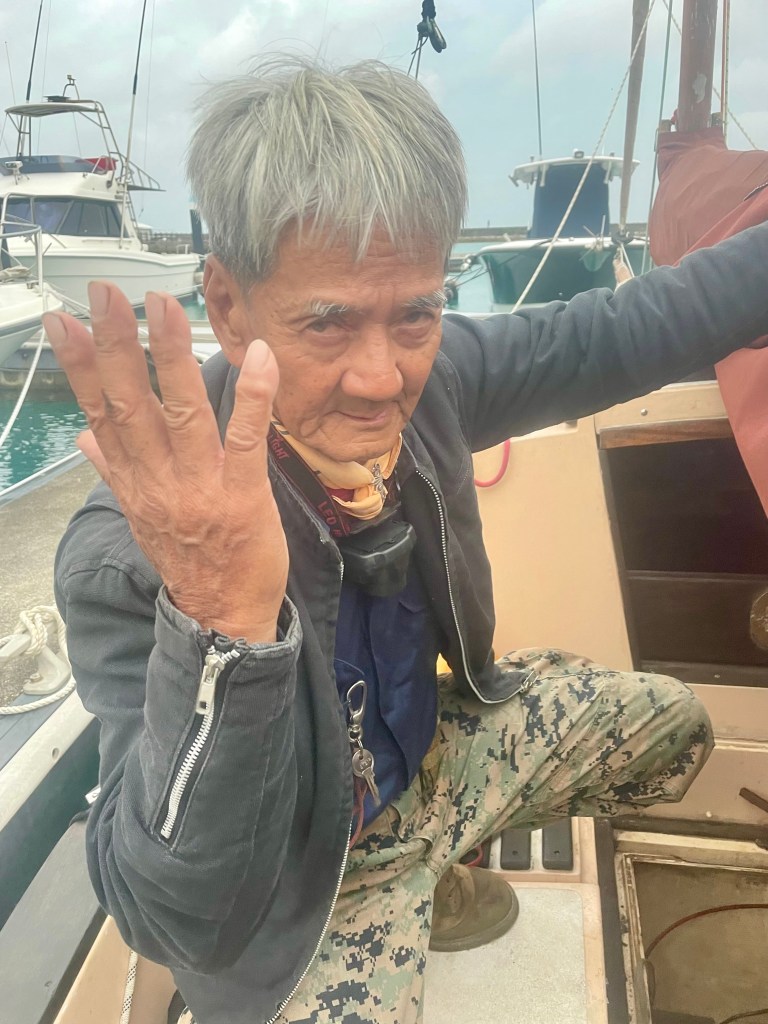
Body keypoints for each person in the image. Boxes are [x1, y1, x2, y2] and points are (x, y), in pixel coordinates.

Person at [48, 57, 768, 1024]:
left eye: (416, 314)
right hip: (301, 881)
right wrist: (222, 623)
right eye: (328, 323)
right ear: (227, 305)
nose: (381, 379)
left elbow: (626, 330)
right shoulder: (132, 547)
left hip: (428, 756)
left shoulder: (439, 380)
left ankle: (431, 858)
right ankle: (392, 885)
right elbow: (170, 916)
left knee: (675, 732)